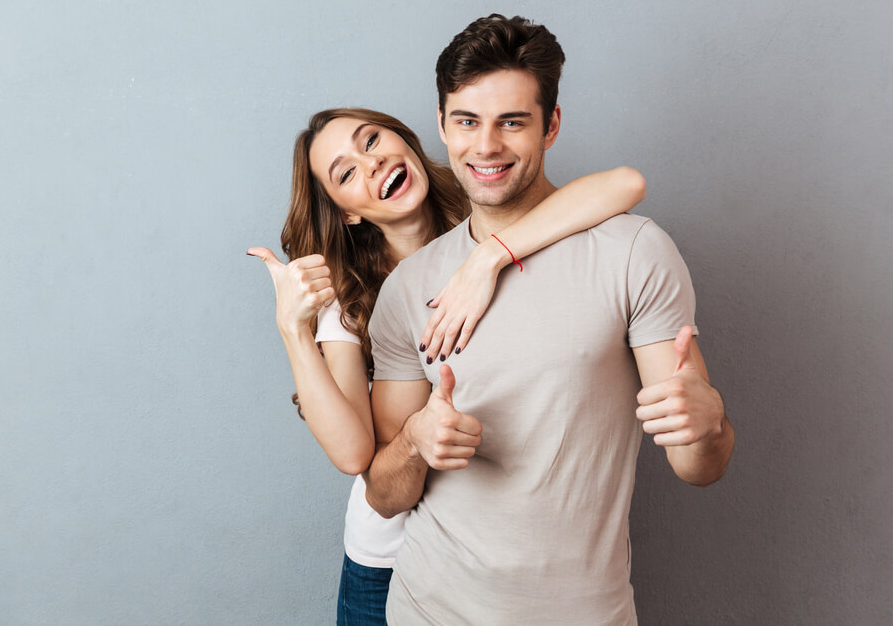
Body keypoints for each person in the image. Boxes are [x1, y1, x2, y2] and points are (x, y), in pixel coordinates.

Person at [363, 15, 735, 624]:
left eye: (512, 122)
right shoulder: (410, 287)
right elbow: (384, 495)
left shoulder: (633, 252)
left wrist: (709, 421)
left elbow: (700, 467)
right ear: (441, 126)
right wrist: (414, 442)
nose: (486, 146)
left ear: (551, 125)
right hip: (428, 609)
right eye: (467, 122)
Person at [248, 106, 648, 624]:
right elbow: (353, 455)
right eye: (345, 173)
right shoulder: (346, 300)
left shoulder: (492, 214)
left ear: (408, 140)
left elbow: (625, 184)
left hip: (501, 560)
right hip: (387, 562)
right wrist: (293, 330)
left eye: (372, 141)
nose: (370, 165)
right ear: (346, 212)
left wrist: (486, 260)